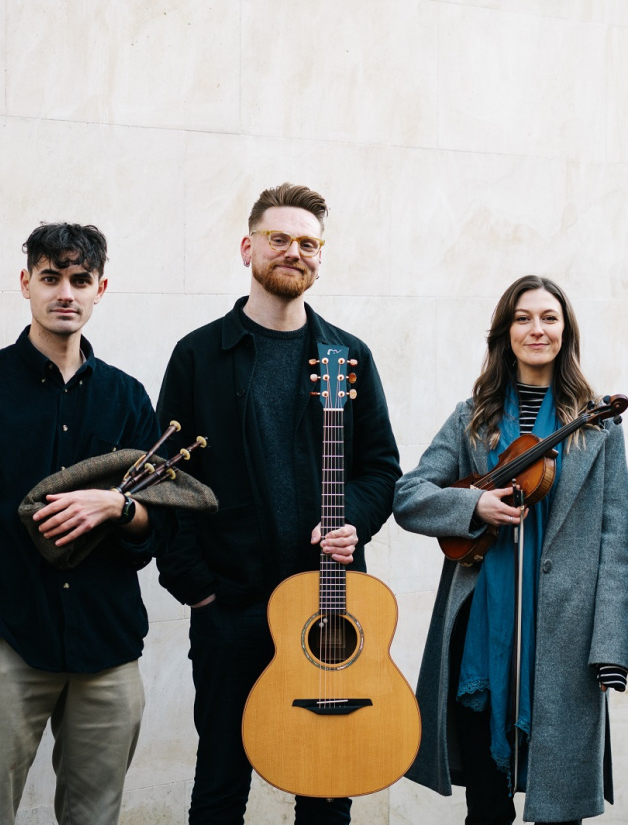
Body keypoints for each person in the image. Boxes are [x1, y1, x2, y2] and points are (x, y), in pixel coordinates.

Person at [155, 182, 401, 824]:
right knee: (220, 784)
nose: (295, 251)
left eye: (309, 243)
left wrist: (351, 517)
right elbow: (165, 476)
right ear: (248, 248)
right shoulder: (199, 354)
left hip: (328, 606)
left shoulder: (346, 356)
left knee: (326, 784)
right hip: (230, 605)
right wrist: (195, 587)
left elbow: (381, 467)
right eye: (280, 238)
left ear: (321, 257)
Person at [0, 223, 169, 825]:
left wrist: (120, 508)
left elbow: (160, 523)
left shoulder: (127, 397)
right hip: (8, 633)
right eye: (51, 278)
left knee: (95, 816)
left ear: (100, 289)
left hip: (106, 644)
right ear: (25, 282)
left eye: (80, 280)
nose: (66, 293)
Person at [394, 275, 628, 825]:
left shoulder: (598, 427)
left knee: (561, 809)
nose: (537, 329)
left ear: (565, 331)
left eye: (549, 318)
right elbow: (409, 496)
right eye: (524, 318)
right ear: (505, 332)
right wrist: (470, 509)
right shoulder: (472, 417)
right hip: (479, 630)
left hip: (567, 638)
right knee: (485, 803)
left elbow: (616, 543)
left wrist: (610, 649)